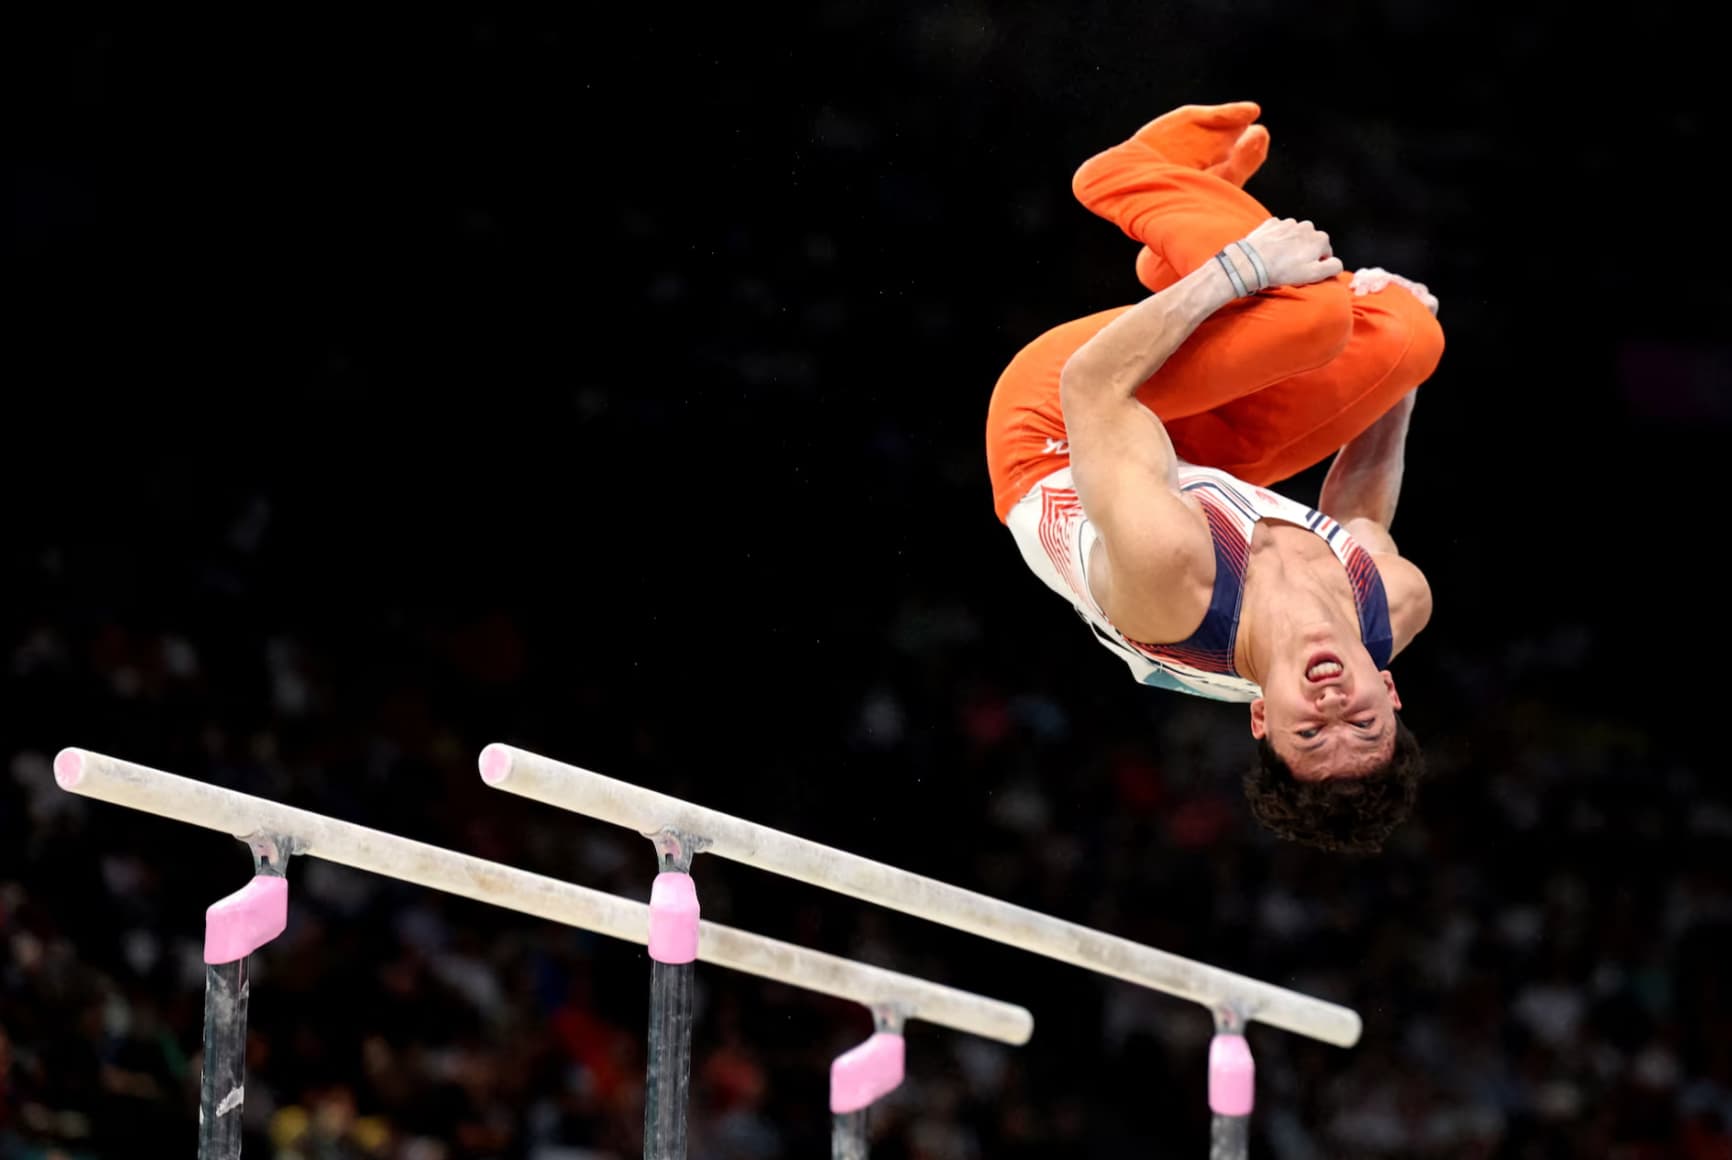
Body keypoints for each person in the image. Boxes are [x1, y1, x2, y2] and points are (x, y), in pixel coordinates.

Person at [984, 102, 1444, 853]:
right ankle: (1180, 246)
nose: (1331, 702)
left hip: (1056, 424)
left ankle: (1133, 181)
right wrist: (1398, 384)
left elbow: (1093, 388)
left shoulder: (1175, 585)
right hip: (1184, 463)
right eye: (1359, 720)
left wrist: (1241, 271)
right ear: (1390, 692)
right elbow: (1359, 515)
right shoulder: (1399, 602)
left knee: (1311, 316)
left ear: (1260, 718)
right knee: (1411, 338)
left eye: (1308, 727)